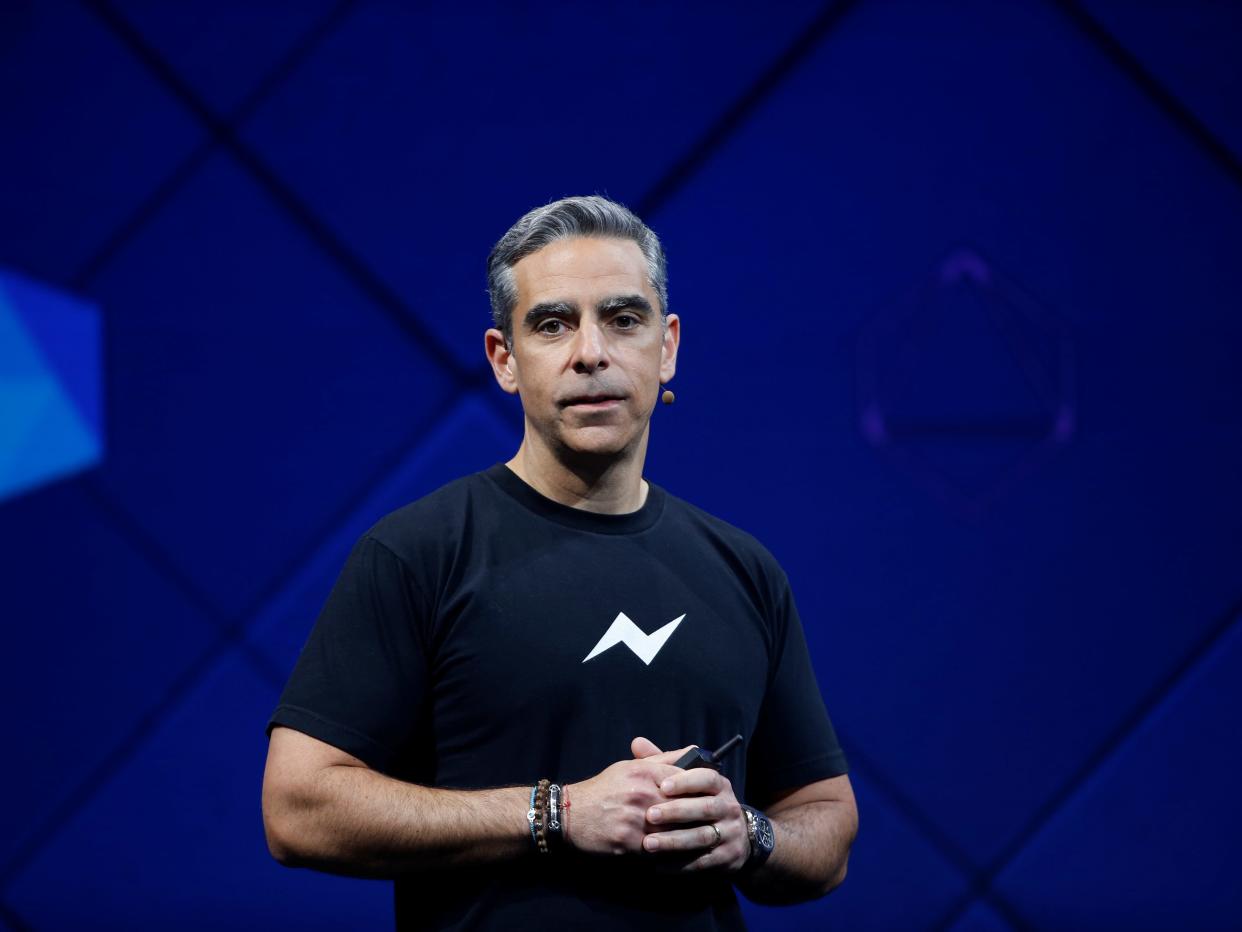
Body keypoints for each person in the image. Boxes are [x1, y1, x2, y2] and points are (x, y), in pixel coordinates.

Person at [261, 195, 858, 930]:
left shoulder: (745, 569)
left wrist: (750, 833)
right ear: (504, 359)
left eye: (623, 318)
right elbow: (296, 809)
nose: (591, 352)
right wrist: (558, 812)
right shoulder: (419, 553)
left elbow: (826, 824)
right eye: (552, 324)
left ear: (667, 346)